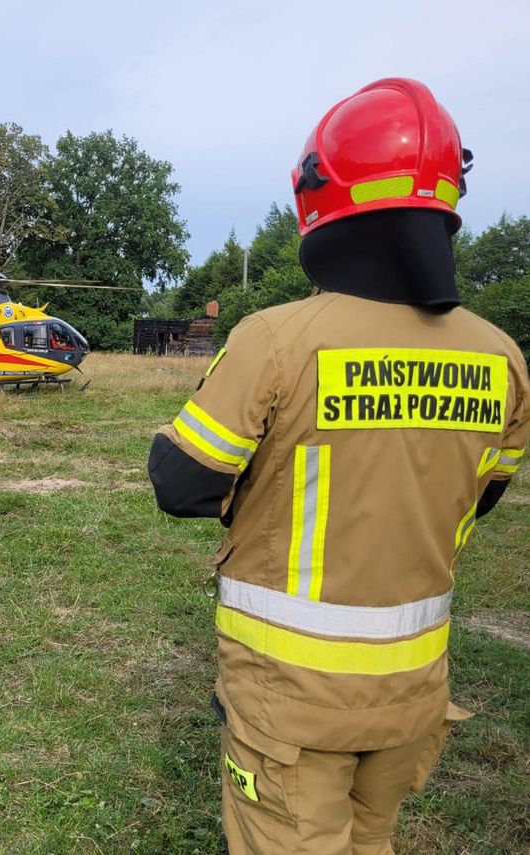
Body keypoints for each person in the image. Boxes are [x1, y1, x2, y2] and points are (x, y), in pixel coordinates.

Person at [147, 78, 528, 854]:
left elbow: (180, 483)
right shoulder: (502, 358)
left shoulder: (278, 338)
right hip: (411, 697)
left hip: (291, 706)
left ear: (321, 193)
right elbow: (483, 497)